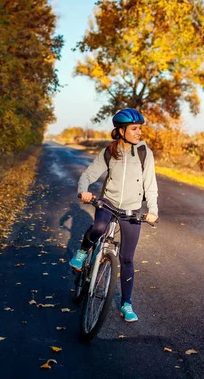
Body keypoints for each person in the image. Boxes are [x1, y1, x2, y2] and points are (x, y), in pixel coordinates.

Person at [70, 108, 158, 322]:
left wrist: (152, 210)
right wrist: (84, 190)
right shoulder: (109, 151)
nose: (139, 132)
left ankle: (126, 304)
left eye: (140, 128)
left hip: (132, 209)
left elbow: (150, 183)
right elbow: (89, 174)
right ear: (121, 130)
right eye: (134, 129)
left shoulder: (145, 152)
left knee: (127, 258)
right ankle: (82, 253)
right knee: (99, 228)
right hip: (108, 202)